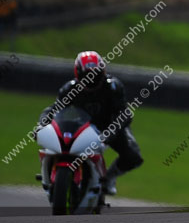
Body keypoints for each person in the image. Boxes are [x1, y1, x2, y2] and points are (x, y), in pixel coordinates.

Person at [38, 51, 142, 195]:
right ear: (78, 73)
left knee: (133, 156)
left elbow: (125, 114)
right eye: (86, 76)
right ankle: (49, 177)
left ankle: (109, 179)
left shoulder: (113, 87)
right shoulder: (70, 88)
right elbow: (54, 109)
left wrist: (112, 130)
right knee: (57, 144)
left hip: (111, 127)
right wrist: (41, 125)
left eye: (95, 75)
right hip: (82, 126)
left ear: (103, 72)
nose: (91, 80)